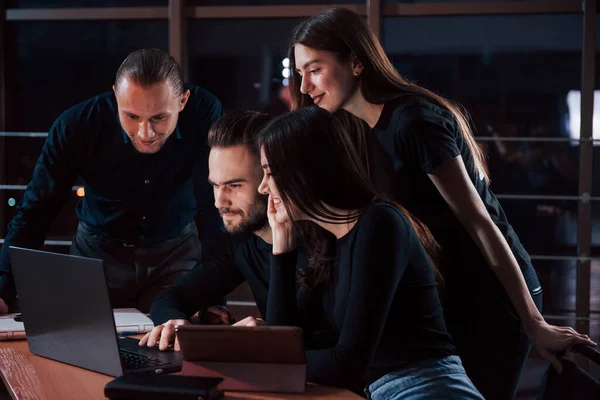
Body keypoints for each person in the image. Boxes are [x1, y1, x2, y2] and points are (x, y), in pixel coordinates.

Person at [285, 8, 596, 399]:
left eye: (314, 69)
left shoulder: (413, 122)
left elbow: (481, 223)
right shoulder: (354, 131)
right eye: (299, 73)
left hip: (491, 289)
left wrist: (534, 323)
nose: (305, 84)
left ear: (356, 60)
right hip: (447, 290)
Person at [256, 106, 483, 399]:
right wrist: (282, 243)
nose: (263, 188)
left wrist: (273, 362)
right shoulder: (332, 241)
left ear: (306, 171)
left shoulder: (379, 223)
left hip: (428, 388)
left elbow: (346, 362)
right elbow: (283, 340)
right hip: (384, 392)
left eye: (270, 173)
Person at [0, 48, 224, 313]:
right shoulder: (76, 126)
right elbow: (36, 210)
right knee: (82, 348)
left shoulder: (203, 112)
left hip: (175, 254)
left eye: (159, 118)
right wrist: (3, 290)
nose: (145, 133)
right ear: (116, 95)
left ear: (183, 101)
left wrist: (213, 296)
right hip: (97, 256)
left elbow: (214, 205)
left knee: (176, 344)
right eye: (132, 116)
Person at [139, 111, 324, 351]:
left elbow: (336, 347)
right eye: (215, 186)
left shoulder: (326, 244)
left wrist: (241, 339)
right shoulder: (241, 242)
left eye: (234, 185)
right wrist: (177, 323)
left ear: (272, 178)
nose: (219, 201)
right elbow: (172, 297)